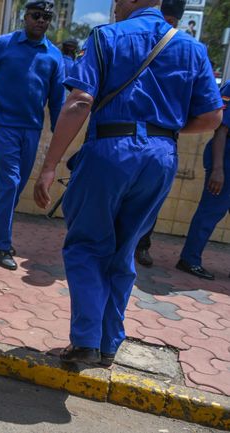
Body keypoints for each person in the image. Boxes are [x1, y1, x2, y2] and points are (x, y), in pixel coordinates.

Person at [33, 0, 222, 365]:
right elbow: (212, 116)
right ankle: (108, 344)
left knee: (87, 245)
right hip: (161, 156)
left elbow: (79, 102)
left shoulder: (107, 37)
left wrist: (49, 164)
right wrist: (162, 131)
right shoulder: (191, 48)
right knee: (125, 249)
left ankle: (86, 341)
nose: (115, 5)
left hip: (110, 151)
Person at [0, 0, 65, 271]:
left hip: (32, 131)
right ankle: (2, 245)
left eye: (46, 17)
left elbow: (57, 102)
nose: (41, 21)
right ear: (25, 16)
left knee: (17, 186)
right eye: (36, 15)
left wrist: (60, 135)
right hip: (4, 127)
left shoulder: (54, 56)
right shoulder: (4, 44)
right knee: (8, 184)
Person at [133, 0, 187, 268]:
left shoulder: (184, 52)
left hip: (160, 142)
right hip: (122, 138)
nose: (165, 27)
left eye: (172, 23)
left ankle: (142, 245)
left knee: (148, 205)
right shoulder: (129, 42)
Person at [176, 81, 230, 280]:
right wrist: (218, 169)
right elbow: (221, 130)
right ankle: (189, 259)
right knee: (210, 211)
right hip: (225, 161)